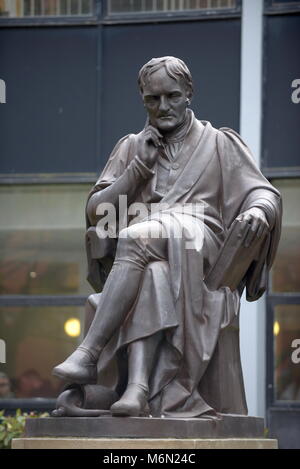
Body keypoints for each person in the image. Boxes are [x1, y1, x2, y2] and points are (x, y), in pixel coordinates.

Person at [53, 57, 282, 418]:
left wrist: (258, 212)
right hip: (152, 253)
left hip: (199, 239)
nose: (162, 107)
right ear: (143, 99)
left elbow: (263, 192)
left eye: (172, 96)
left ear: (189, 93)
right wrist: (137, 170)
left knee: (135, 237)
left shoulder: (220, 143)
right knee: (154, 272)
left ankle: (88, 352)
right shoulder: (130, 147)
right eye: (152, 99)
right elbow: (98, 211)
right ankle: (138, 389)